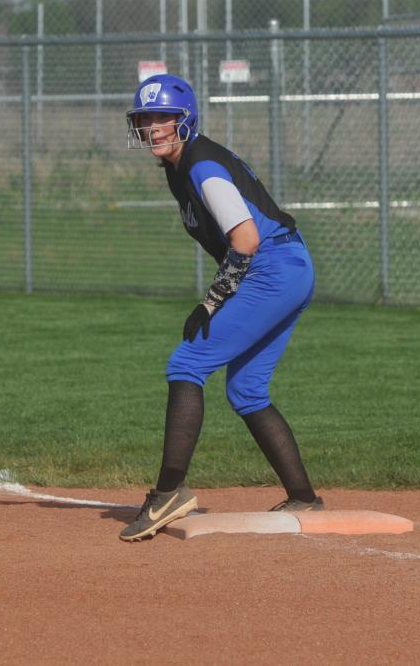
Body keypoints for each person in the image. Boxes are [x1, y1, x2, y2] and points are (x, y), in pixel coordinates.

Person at [119, 73, 323, 542]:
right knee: (247, 390)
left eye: (162, 118)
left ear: (184, 121)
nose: (152, 128)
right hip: (285, 266)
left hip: (273, 267)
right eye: (145, 119)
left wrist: (212, 302)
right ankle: (304, 497)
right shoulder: (181, 166)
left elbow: (246, 238)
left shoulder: (201, 165)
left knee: (187, 362)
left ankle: (168, 493)